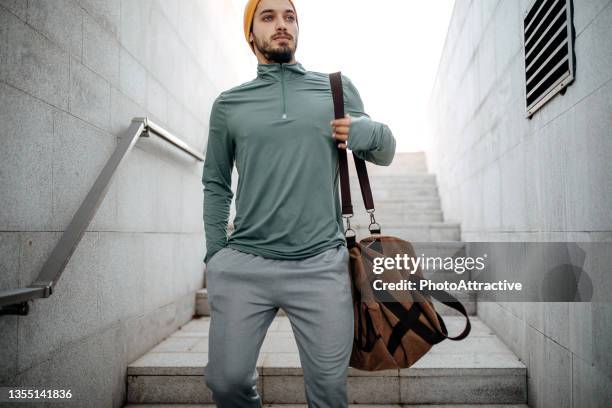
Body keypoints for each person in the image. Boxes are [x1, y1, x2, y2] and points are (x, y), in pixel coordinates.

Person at [202, 0, 396, 406]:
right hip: (245, 264)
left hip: (320, 264)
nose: (282, 24)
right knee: (227, 382)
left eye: (290, 17)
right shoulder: (228, 105)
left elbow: (385, 151)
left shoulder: (336, 90)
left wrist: (363, 130)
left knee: (328, 391)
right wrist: (216, 253)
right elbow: (216, 183)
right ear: (250, 33)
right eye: (268, 17)